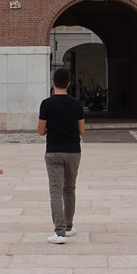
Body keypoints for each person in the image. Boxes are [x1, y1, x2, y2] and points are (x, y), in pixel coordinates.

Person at [38, 66, 85, 243]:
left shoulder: (46, 104)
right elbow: (82, 130)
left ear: (53, 84)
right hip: (73, 151)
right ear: (68, 84)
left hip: (54, 151)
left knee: (56, 191)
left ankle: (59, 232)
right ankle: (69, 226)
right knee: (70, 189)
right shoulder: (76, 104)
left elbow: (41, 131)